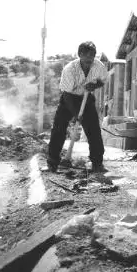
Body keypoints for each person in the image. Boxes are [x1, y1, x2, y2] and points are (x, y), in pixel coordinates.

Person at [47, 41, 108, 173]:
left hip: (86, 99)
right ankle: (52, 162)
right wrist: (76, 115)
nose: (89, 59)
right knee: (59, 128)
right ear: (79, 55)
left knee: (94, 130)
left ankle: (97, 163)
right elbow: (67, 94)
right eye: (86, 55)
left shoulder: (98, 66)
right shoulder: (70, 69)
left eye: (92, 55)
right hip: (69, 98)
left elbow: (102, 81)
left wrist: (94, 85)